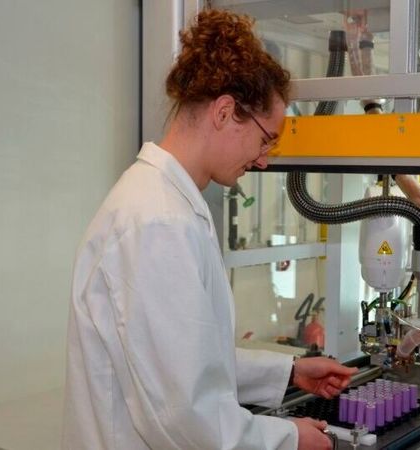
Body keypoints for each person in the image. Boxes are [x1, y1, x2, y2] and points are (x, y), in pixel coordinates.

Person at [62, 9, 356, 450]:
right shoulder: (157, 222)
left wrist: (289, 372)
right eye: (265, 140)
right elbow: (184, 414)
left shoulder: (170, 204)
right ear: (224, 112)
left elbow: (189, 363)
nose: (263, 160)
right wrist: (287, 438)